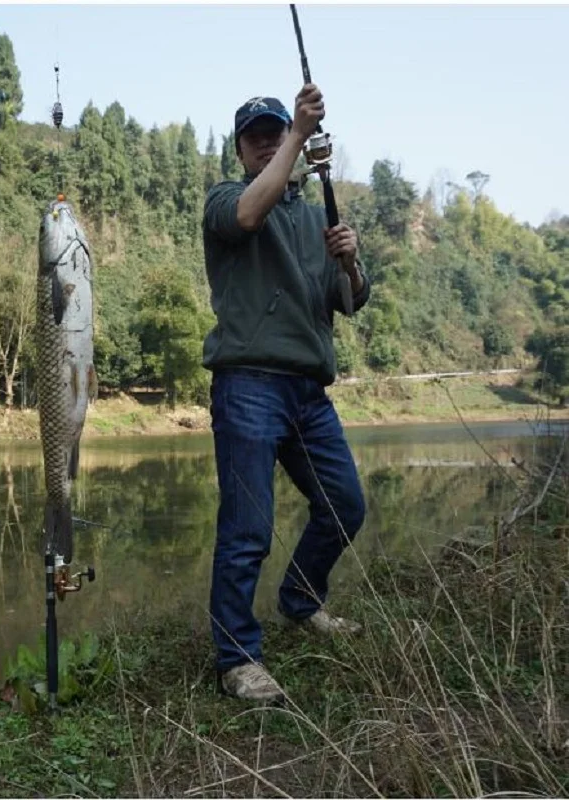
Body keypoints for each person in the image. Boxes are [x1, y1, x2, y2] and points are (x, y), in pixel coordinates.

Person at [201, 85, 372, 702]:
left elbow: (348, 300)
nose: (270, 139)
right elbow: (249, 215)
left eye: (278, 130)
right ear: (242, 149)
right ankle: (237, 657)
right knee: (248, 527)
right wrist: (300, 135)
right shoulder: (227, 198)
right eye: (259, 136)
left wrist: (351, 262)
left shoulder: (314, 214)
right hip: (247, 383)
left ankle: (301, 600)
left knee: (345, 505)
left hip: (307, 391)